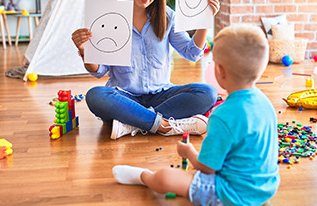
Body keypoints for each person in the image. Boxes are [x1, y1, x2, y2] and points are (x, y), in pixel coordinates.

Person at [112, 25, 280, 206]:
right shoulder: (265, 102)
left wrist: (189, 153)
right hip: (266, 188)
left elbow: (207, 169)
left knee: (165, 178)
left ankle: (144, 177)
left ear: (220, 71)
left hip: (231, 193)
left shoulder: (222, 115)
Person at [72, 0, 220, 139]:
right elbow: (100, 71)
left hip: (161, 94)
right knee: (95, 96)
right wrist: (85, 51)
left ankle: (132, 123)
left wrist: (204, 20)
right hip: (124, 97)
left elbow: (192, 53)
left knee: (207, 93)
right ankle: (163, 125)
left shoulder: (167, 17)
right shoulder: (111, 16)